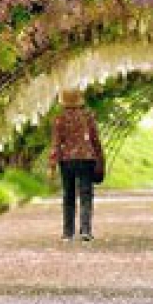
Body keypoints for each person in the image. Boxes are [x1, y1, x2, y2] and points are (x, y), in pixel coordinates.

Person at [49, 88, 104, 242]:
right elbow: (95, 140)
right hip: (86, 158)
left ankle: (68, 232)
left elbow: (56, 143)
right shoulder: (87, 117)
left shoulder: (59, 119)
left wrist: (52, 163)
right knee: (86, 194)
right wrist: (100, 158)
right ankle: (85, 230)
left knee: (69, 196)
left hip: (66, 160)